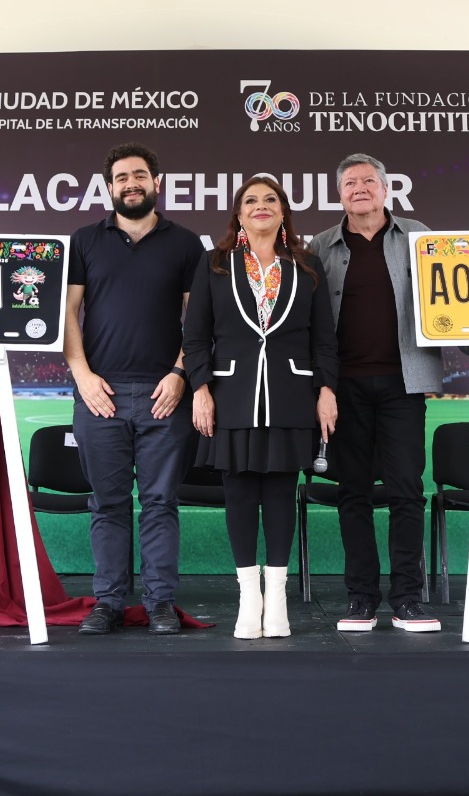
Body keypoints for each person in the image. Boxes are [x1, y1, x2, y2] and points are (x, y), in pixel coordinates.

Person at [184, 176, 339, 639]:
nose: (260, 206)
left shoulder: (307, 265)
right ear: (239, 214)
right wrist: (200, 388)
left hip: (292, 394)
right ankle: (248, 598)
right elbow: (195, 336)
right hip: (232, 395)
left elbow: (324, 340)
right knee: (238, 494)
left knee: (280, 495)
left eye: (270, 199)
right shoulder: (214, 264)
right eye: (250, 200)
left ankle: (278, 597)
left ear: (283, 211)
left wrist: (327, 390)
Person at [63, 143, 203, 635]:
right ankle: (108, 602)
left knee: (161, 503)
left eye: (140, 175)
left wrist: (180, 374)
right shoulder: (84, 240)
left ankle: (160, 602)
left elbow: (198, 321)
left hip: (164, 395)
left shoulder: (185, 244)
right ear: (109, 187)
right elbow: (67, 314)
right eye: (121, 177)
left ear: (156, 182)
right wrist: (82, 376)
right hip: (99, 394)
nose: (131, 184)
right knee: (107, 504)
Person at [309, 153, 443, 632]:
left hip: (404, 384)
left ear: (386, 189)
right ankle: (361, 598)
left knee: (407, 490)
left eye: (368, 181)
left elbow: (447, 300)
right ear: (339, 194)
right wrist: (321, 385)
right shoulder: (320, 246)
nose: (359, 189)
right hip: (343, 388)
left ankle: (408, 597)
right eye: (350, 183)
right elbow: (310, 322)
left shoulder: (418, 235)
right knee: (353, 493)